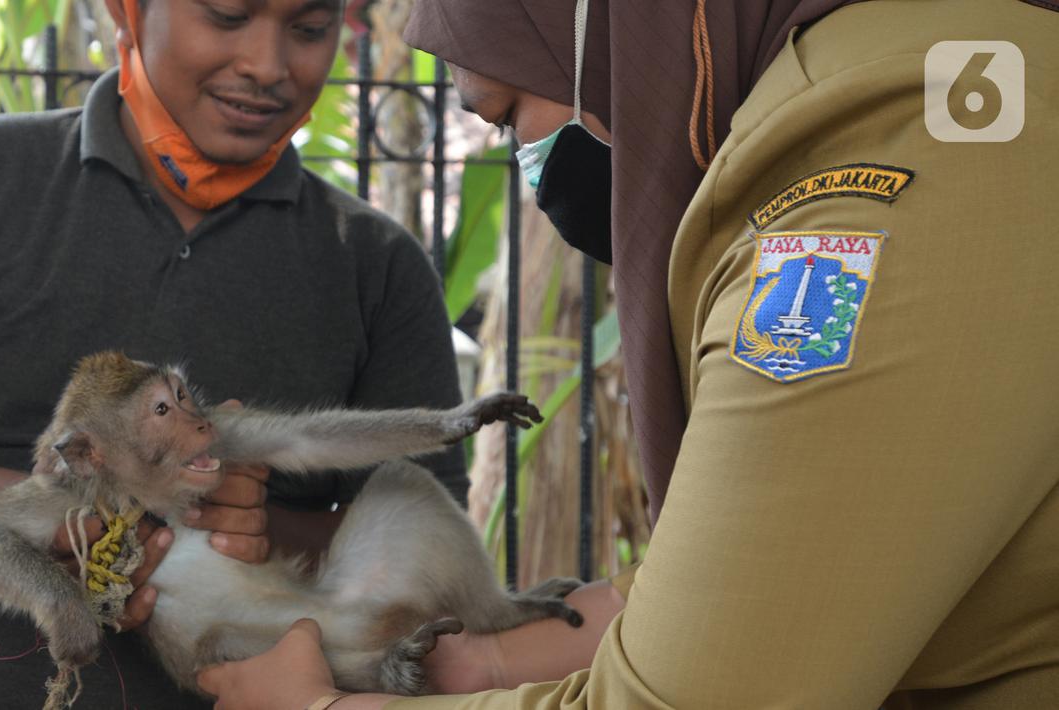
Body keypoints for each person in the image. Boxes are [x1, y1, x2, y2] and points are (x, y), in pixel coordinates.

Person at [199, 0, 1059, 708]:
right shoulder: (894, 97)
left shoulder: (901, 143)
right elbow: (817, 554)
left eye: (507, 114)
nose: (527, 169)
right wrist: (506, 657)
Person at [0, 0, 468, 707]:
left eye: (310, 29)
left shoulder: (375, 265)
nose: (266, 64)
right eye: (227, 15)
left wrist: (242, 527)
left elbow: (425, 535)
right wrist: (75, 527)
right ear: (126, 12)